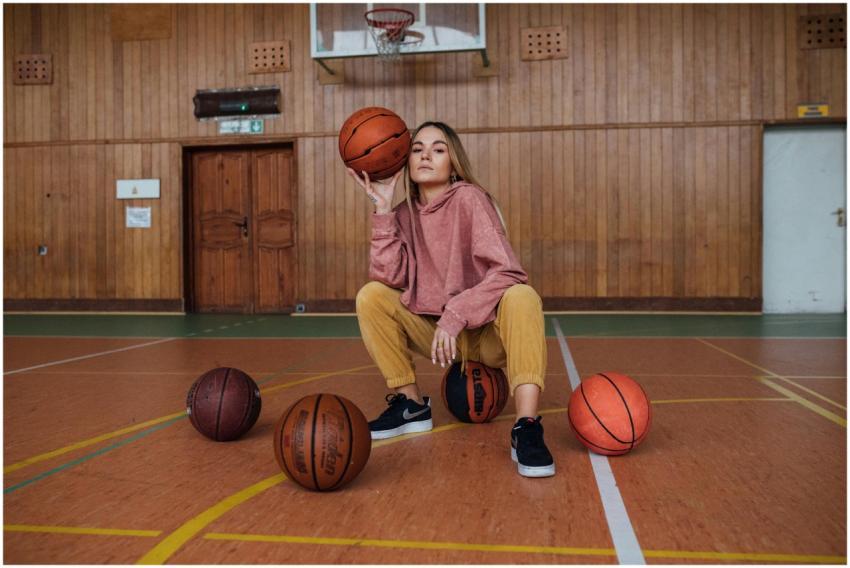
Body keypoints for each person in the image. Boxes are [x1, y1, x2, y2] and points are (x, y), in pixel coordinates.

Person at [346, 121, 554, 478]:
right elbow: (389, 278)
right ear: (405, 161)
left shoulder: (470, 199)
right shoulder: (401, 214)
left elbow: (508, 271)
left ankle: (527, 427)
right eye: (418, 148)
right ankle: (411, 404)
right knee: (371, 296)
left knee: (523, 296)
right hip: (441, 338)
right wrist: (382, 212)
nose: (426, 154)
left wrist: (456, 312)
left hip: (487, 335)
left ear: (453, 163)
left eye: (438, 149)